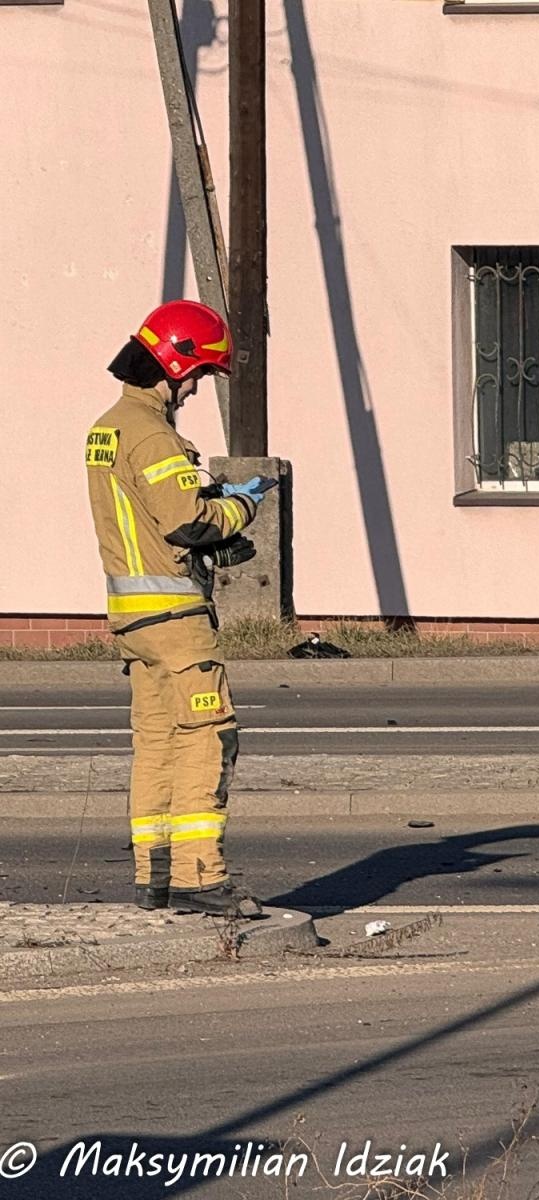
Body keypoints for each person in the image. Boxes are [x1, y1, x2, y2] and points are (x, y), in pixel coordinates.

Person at [86, 300, 276, 918]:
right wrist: (239, 508)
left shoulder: (109, 427)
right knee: (209, 735)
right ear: (174, 360)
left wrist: (209, 498)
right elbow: (185, 522)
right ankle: (201, 875)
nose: (193, 389)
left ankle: (157, 875)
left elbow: (149, 511)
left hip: (134, 620)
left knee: (158, 740)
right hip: (175, 617)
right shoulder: (152, 432)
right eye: (196, 375)